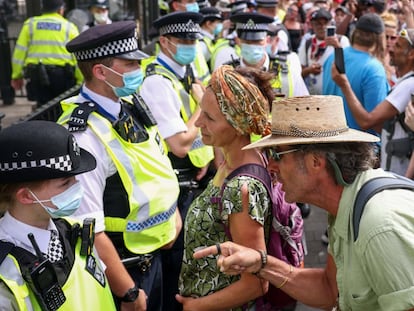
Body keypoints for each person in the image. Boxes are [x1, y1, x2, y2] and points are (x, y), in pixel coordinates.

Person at [194, 94, 414, 310]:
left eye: (277, 154)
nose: (270, 165)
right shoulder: (345, 206)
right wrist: (261, 264)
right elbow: (328, 290)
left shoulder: (378, 226)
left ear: (315, 161)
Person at [57, 21, 181, 311]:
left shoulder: (128, 104)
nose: (139, 69)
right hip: (125, 266)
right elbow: (87, 227)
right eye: (129, 64)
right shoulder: (83, 134)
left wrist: (173, 215)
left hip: (156, 252)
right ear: (101, 72)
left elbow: (156, 162)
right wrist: (127, 292)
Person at [177, 65, 273, 311]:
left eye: (209, 117)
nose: (198, 122)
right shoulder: (233, 161)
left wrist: (195, 307)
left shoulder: (242, 189)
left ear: (238, 124)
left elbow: (256, 284)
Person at [140, 11, 215, 311]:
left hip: (193, 178)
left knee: (187, 265)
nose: (190, 46)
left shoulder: (183, 74)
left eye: (193, 40)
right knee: (176, 271)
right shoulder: (158, 82)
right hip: (177, 187)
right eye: (183, 40)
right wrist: (204, 103)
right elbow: (180, 144)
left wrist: (206, 159)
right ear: (164, 42)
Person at [0, 120, 116, 310]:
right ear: (27, 196)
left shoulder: (75, 230)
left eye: (75, 179)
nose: (77, 187)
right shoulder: (5, 272)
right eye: (65, 183)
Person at [329, 28, 414, 177]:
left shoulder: (409, 85)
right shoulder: (405, 83)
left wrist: (344, 85)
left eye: (398, 46)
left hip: (399, 176)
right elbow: (384, 126)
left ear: (411, 54)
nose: (392, 48)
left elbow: (366, 121)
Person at [11, 0, 82, 108]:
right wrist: (80, 80)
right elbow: (78, 56)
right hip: (63, 77)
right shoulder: (69, 27)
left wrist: (16, 75)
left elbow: (19, 53)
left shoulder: (30, 24)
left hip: (36, 76)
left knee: (42, 109)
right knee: (62, 108)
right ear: (60, 10)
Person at [298, 8, 350, 95]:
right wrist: (309, 70)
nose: (322, 27)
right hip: (313, 96)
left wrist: (337, 47)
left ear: (331, 24)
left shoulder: (341, 40)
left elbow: (348, 67)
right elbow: (300, 72)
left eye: (325, 23)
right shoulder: (308, 42)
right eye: (318, 24)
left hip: (335, 96)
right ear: (312, 25)